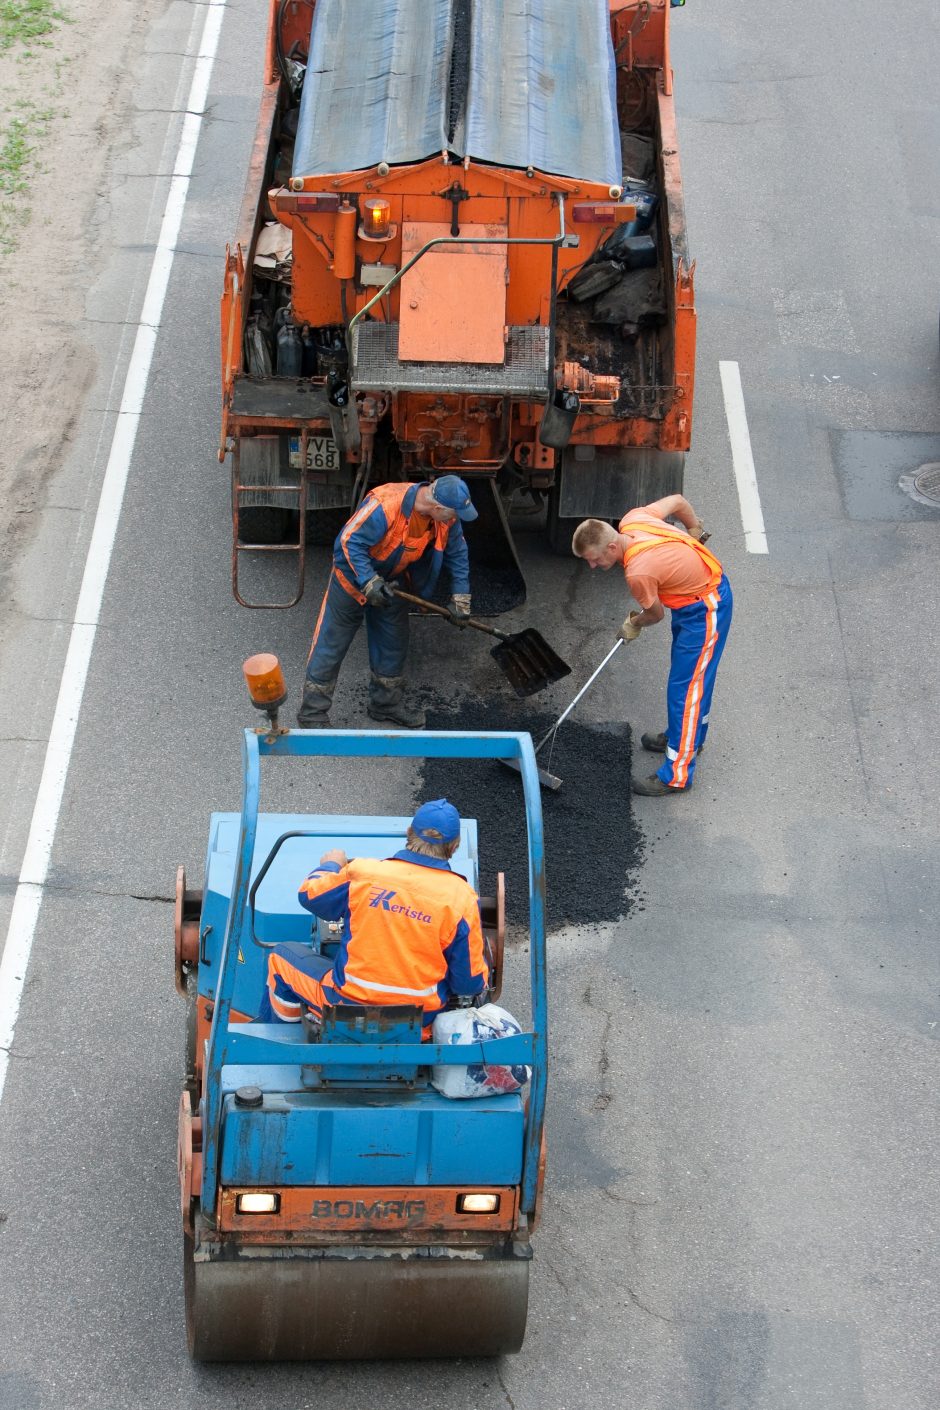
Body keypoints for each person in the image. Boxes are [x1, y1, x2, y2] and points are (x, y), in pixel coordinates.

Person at [258, 799, 490, 1029]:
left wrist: (330, 866)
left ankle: (281, 1038)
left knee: (280, 959)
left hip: (345, 1004)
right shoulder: (463, 898)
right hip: (419, 1020)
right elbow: (468, 984)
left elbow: (310, 896)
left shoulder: (365, 873)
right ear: (454, 846)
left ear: (409, 832)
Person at [571, 494, 732, 796]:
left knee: (685, 691)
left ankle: (676, 775)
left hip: (706, 610)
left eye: (594, 558)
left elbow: (655, 614)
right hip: (693, 604)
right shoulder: (633, 519)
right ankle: (686, 737)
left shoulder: (638, 572)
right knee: (690, 681)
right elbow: (679, 501)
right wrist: (694, 531)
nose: (592, 566)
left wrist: (633, 623)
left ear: (611, 547)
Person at [297, 476, 477, 729]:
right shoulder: (385, 504)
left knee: (393, 642)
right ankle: (312, 713)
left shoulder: (446, 519)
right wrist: (369, 581)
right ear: (437, 508)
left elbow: (458, 552)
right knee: (332, 641)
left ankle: (385, 705)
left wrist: (461, 599)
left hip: (392, 582)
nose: (455, 519)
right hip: (351, 580)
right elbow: (348, 541)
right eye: (453, 514)